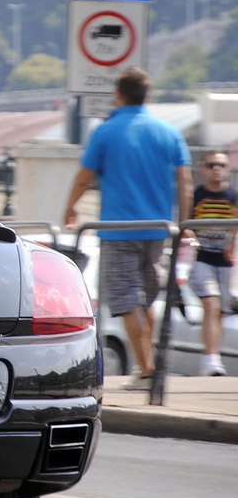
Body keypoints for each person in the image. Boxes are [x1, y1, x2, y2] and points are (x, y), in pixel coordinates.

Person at [63, 67, 192, 389]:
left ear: (118, 95)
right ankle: (148, 365)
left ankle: (148, 370)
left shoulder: (106, 132)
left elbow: (84, 176)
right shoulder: (169, 132)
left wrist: (70, 206)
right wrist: (185, 224)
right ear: (146, 95)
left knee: (125, 301)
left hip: (119, 230)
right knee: (145, 300)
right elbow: (185, 182)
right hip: (158, 230)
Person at [184, 149, 233, 376]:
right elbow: (186, 224)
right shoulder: (197, 195)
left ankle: (210, 355)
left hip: (224, 262)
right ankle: (212, 359)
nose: (216, 169)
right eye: (212, 164)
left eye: (221, 165)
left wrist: (232, 244)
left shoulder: (233, 195)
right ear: (204, 169)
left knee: (219, 312)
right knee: (211, 305)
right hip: (201, 259)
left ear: (228, 169)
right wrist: (193, 242)